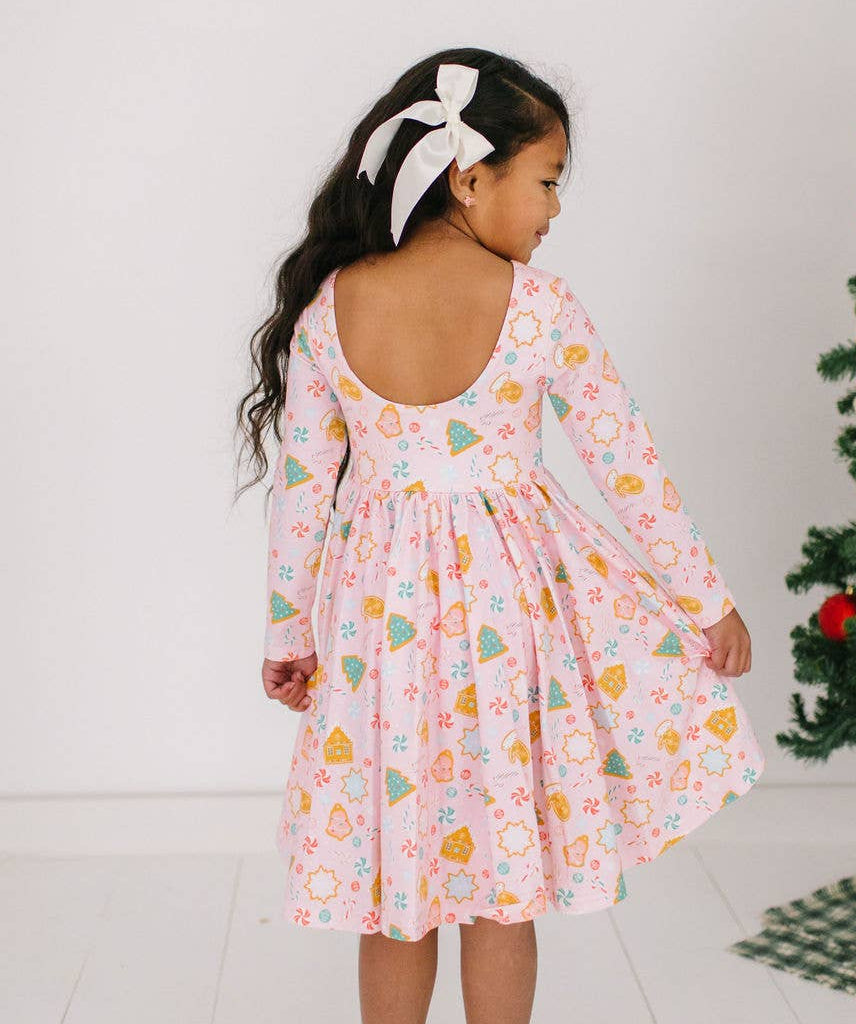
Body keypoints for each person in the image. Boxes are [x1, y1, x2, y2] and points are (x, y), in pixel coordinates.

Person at [235, 48, 765, 1024]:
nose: (554, 209)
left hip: (380, 636)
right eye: (548, 180)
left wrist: (286, 638)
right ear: (471, 176)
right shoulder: (540, 309)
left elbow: (299, 501)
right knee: (498, 882)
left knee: (400, 890)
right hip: (505, 632)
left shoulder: (331, 307)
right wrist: (706, 599)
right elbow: (629, 470)